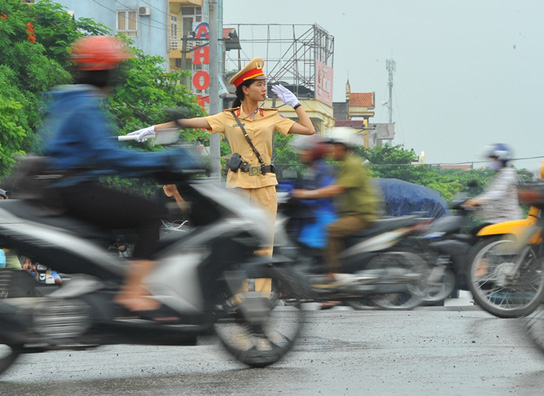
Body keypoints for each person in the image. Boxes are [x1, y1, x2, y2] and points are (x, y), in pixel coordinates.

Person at [131, 57, 315, 293]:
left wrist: (296, 104)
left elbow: (309, 130)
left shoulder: (272, 116)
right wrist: (154, 129)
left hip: (265, 185)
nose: (264, 88)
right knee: (235, 242)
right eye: (259, 84)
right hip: (237, 184)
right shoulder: (228, 118)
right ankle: (235, 301)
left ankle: (262, 301)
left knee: (265, 243)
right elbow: (190, 122)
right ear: (245, 89)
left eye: (264, 83)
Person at [42, 36, 198, 312]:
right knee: (149, 214)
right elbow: (109, 157)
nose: (117, 77)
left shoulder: (69, 100)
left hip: (65, 187)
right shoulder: (86, 105)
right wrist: (162, 160)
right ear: (103, 72)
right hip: (76, 189)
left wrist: (148, 168)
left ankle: (111, 283)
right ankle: (133, 292)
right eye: (115, 70)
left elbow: (103, 157)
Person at [291, 127, 381, 285]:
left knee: (331, 230)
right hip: (349, 212)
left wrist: (306, 194)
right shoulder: (342, 164)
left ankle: (333, 275)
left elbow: (337, 189)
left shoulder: (351, 164)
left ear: (342, 146)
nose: (330, 149)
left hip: (361, 215)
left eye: (333, 145)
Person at [287, 134, 337, 248]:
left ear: (315, 152)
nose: (301, 153)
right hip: (310, 215)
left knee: (306, 244)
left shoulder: (325, 171)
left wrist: (303, 194)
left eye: (305, 150)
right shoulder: (310, 171)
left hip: (322, 216)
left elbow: (323, 193)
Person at [462, 144, 521, 223]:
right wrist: (474, 209)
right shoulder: (499, 175)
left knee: (477, 232)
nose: (491, 161)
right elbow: (491, 208)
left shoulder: (508, 174)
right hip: (498, 220)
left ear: (502, 159)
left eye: (494, 159)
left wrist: (477, 200)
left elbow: (496, 193)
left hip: (507, 220)